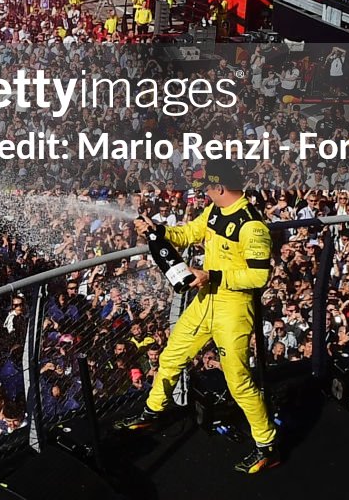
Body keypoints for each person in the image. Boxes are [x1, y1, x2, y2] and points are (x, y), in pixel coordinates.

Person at [117, 165, 281, 474]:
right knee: (170, 358)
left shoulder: (252, 226)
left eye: (207, 188)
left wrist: (212, 274)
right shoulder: (214, 211)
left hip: (233, 310)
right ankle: (152, 413)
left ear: (220, 189)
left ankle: (267, 446)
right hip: (205, 302)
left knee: (239, 383)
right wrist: (159, 231)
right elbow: (189, 233)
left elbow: (259, 275)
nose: (204, 192)